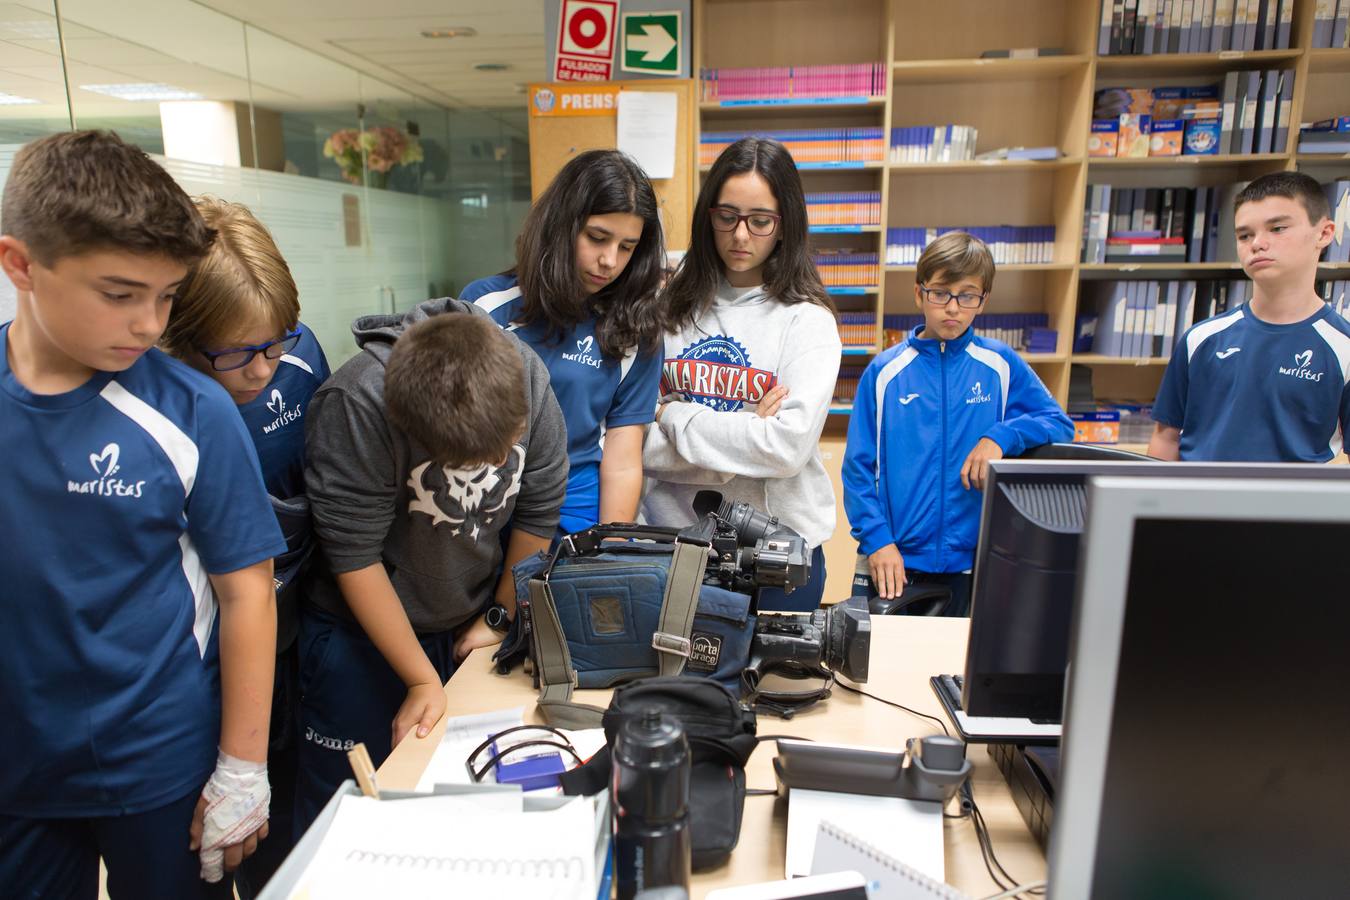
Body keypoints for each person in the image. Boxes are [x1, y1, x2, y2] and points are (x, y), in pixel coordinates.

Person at [0, 130, 282, 897]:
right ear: (20, 264)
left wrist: (242, 768)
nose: (150, 325)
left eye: (165, 296)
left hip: (158, 758)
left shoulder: (191, 412)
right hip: (16, 763)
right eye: (120, 294)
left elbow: (247, 591)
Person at [295, 301, 567, 833]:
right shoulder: (358, 403)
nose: (494, 470)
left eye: (505, 448)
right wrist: (421, 679)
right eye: (471, 464)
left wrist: (498, 617)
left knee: (458, 803)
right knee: (351, 814)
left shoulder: (524, 373)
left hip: (468, 609)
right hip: (359, 634)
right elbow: (354, 556)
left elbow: (539, 506)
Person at [158, 197, 330, 895]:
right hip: (200, 645)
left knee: (279, 830)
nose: (261, 370)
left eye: (275, 343)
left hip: (293, 626)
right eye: (236, 353)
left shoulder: (302, 358)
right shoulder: (166, 396)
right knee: (201, 841)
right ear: (183, 336)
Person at [641, 136, 841, 611]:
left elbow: (786, 449)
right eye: (726, 216)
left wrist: (671, 416)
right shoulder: (663, 310)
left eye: (760, 221)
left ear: (785, 223)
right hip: (673, 551)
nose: (740, 236)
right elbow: (629, 440)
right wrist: (747, 433)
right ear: (707, 214)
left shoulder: (808, 321)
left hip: (779, 558)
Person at [842, 231, 1073, 616]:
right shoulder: (884, 372)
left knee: (954, 671)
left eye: (967, 295)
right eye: (941, 293)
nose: (953, 308)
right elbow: (857, 470)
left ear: (983, 301)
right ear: (919, 294)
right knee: (879, 669)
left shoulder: (1000, 364)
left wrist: (1000, 437)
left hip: (971, 563)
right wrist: (878, 541)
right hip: (891, 558)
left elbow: (1058, 424)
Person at [462, 150, 667, 534]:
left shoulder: (636, 330)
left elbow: (622, 461)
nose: (610, 260)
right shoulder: (484, 306)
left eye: (627, 247)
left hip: (572, 514)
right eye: (597, 237)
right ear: (561, 226)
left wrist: (608, 549)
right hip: (479, 506)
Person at [1149, 172, 1350, 462]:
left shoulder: (1343, 347)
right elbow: (1165, 438)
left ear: (1324, 233)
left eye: (1277, 228)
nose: (1257, 244)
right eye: (1245, 235)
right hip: (1197, 504)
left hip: (1292, 506)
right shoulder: (1200, 339)